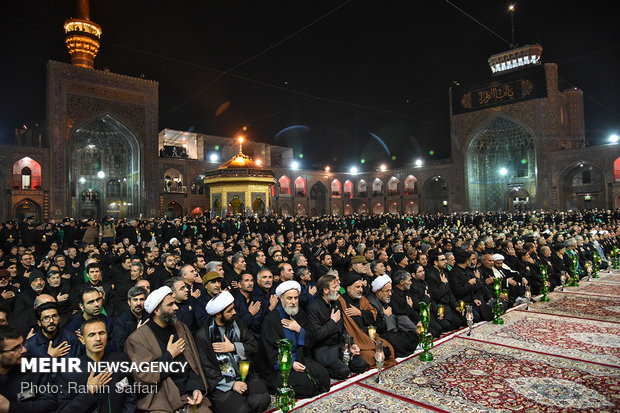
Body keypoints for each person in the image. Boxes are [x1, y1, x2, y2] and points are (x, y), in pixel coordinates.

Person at [125, 286, 212, 412]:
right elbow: (142, 376)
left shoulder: (181, 328)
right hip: (160, 401)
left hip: (188, 394)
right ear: (157, 311)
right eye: (170, 305)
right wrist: (169, 355)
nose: (176, 307)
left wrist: (196, 388)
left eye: (175, 303)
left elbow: (193, 363)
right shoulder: (137, 339)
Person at [195, 291, 270, 413]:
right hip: (221, 383)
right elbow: (207, 368)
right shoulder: (203, 335)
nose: (234, 312)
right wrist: (232, 385)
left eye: (233, 308)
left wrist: (234, 347)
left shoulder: (237, 323)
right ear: (218, 314)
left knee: (262, 400)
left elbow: (253, 346)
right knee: (242, 410)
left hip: (244, 373)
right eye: (229, 311)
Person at [259, 280, 330, 398]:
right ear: (281, 299)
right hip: (281, 365)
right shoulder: (271, 319)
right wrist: (291, 364)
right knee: (307, 386)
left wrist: (299, 329)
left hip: (301, 357)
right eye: (289, 298)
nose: (293, 302)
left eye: (296, 298)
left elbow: (313, 338)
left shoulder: (300, 313)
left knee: (324, 376)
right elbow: (269, 353)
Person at [55, 318, 137, 412]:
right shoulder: (69, 370)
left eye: (102, 333)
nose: (98, 339)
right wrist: (89, 392)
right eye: (91, 335)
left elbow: (130, 397)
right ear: (82, 339)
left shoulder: (121, 360)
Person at [307, 274, 367, 379]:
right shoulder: (313, 307)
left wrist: (350, 344)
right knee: (343, 371)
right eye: (334, 287)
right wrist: (332, 322)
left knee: (361, 364)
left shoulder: (336, 303)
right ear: (325, 290)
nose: (338, 289)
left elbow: (342, 328)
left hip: (339, 346)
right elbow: (317, 335)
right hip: (324, 349)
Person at [338, 272, 395, 369]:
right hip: (355, 339)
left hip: (368, 335)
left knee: (388, 348)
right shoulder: (341, 302)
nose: (361, 290)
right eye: (357, 287)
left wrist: (360, 312)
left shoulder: (362, 299)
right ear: (348, 288)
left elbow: (373, 313)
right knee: (370, 357)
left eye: (361, 287)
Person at [0, 325, 57, 412]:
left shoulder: (36, 365)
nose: (24, 350)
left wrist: (10, 407)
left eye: (22, 344)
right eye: (16, 348)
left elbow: (49, 403)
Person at [367, 274, 418, 357]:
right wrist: (385, 315)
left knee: (413, 337)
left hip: (393, 329)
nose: (390, 294)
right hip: (383, 333)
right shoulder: (371, 303)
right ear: (378, 292)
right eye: (387, 291)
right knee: (402, 345)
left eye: (391, 291)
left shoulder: (385, 299)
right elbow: (378, 327)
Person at [112, 286, 149, 351]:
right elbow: (120, 348)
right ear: (129, 302)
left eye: (141, 299)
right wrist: (137, 334)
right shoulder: (120, 322)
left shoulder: (149, 318)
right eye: (135, 300)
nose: (138, 303)